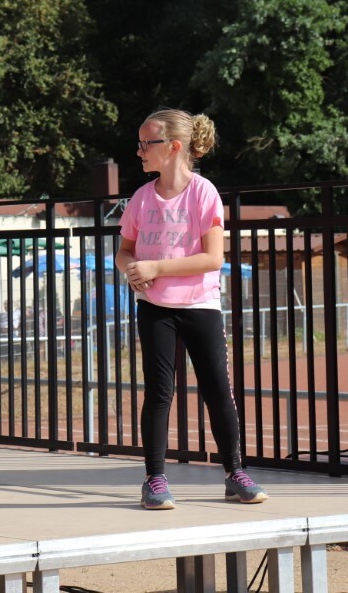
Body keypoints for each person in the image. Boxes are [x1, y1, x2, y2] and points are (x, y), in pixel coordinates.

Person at [115, 108, 268, 510]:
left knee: (217, 390)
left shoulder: (204, 192)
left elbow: (213, 258)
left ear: (173, 147)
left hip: (201, 305)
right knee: (159, 392)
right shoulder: (141, 198)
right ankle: (154, 479)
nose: (139, 151)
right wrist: (130, 269)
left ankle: (235, 473)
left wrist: (156, 268)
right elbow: (124, 250)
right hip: (154, 308)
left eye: (146, 143)